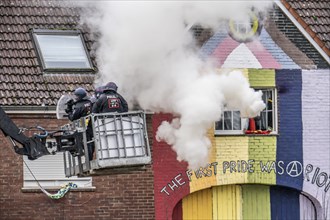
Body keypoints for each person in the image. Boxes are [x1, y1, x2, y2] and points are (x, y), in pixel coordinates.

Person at [65, 87, 94, 160]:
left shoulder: (79, 106)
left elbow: (72, 117)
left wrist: (69, 111)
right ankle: (90, 159)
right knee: (90, 143)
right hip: (91, 126)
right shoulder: (89, 103)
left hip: (83, 128)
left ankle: (89, 160)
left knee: (84, 144)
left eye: (76, 96)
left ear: (80, 96)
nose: (75, 98)